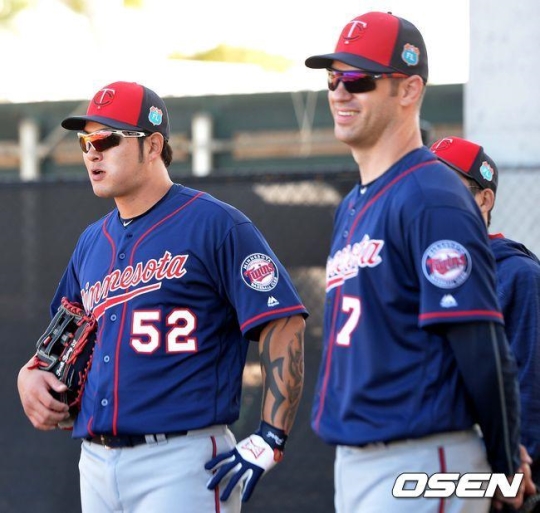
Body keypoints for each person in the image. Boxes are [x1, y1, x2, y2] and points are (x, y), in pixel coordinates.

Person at [17, 81, 308, 512]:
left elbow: (282, 320)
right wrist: (29, 376)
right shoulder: (91, 242)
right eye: (85, 142)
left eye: (106, 139)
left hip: (182, 459)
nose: (92, 153)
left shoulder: (215, 224)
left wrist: (271, 435)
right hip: (95, 460)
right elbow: (61, 337)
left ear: (153, 146)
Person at [304, 11, 531, 512]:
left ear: (408, 90)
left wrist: (504, 466)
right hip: (361, 460)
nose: (340, 92)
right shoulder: (356, 202)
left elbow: (481, 345)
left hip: (422, 457)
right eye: (333, 78)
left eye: (359, 79)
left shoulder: (431, 195)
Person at [431, 135, 540, 510]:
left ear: (484, 199)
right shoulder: (422, 273)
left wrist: (514, 477)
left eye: (446, 186)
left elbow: (530, 385)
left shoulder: (519, 274)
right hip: (435, 463)